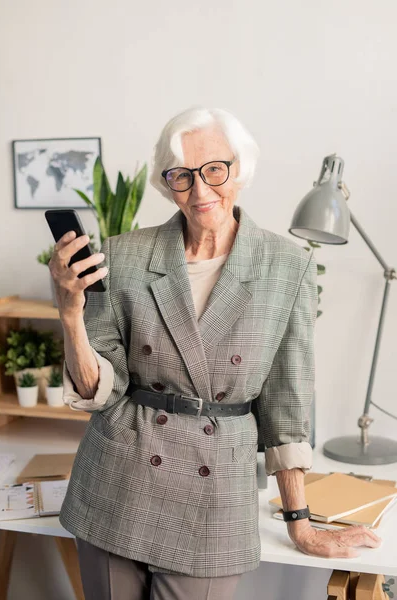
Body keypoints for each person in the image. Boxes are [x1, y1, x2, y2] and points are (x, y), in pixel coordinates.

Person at [50, 106, 381, 600]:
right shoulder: (125, 254)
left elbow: (286, 405)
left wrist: (301, 523)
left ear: (239, 169)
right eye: (182, 176)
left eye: (213, 171)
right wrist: (70, 314)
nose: (200, 191)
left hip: (215, 493)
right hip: (117, 478)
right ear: (169, 183)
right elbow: (101, 388)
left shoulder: (287, 265)